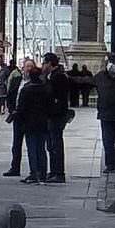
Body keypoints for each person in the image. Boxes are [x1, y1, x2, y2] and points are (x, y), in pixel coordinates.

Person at [13, 65, 52, 184]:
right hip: (43, 122)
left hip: (29, 123)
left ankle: (33, 174)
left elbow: (21, 108)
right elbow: (50, 105)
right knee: (42, 148)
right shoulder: (46, 88)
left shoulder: (26, 89)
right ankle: (43, 174)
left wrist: (18, 118)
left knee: (32, 149)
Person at [41, 52, 70, 184]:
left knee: (56, 144)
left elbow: (58, 97)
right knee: (51, 145)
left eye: (44, 63)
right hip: (50, 114)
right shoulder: (50, 76)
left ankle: (58, 172)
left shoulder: (59, 77)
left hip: (56, 115)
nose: (42, 65)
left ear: (49, 63)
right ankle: (53, 171)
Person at [2, 58, 31, 177]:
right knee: (16, 144)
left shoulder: (37, 82)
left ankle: (35, 169)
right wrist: (12, 109)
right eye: (27, 67)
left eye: (31, 67)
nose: (28, 69)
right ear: (22, 69)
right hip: (17, 116)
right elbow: (10, 95)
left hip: (30, 118)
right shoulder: (17, 80)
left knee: (31, 144)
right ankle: (15, 167)